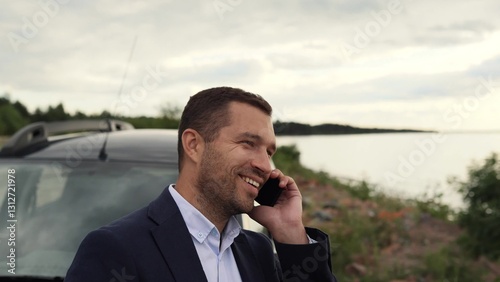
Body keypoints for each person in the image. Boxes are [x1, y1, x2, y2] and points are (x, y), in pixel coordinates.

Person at [65, 87, 337, 282]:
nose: (266, 166)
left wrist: (291, 231)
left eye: (269, 152)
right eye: (248, 143)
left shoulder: (259, 251)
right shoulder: (116, 249)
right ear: (194, 145)